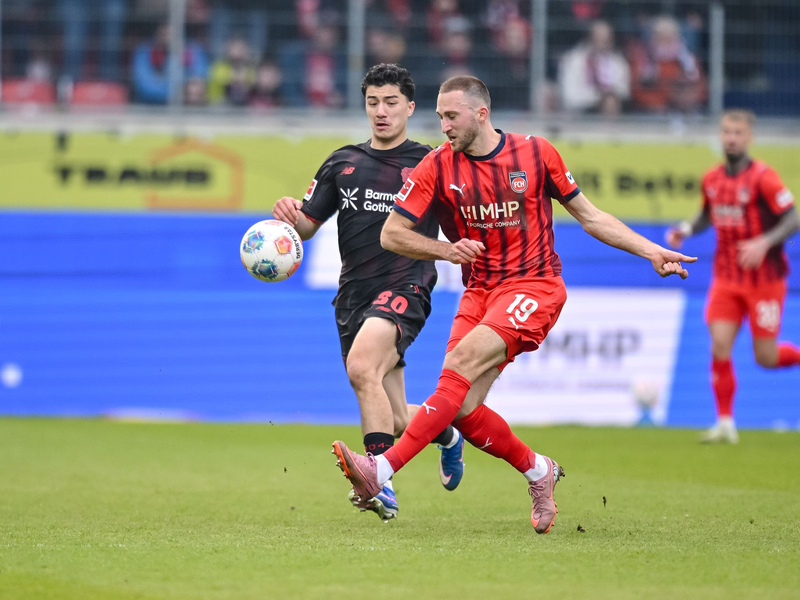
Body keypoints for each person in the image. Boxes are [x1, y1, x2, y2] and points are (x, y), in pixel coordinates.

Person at [332, 75, 696, 534]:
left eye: (451, 116)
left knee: (459, 366)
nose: (442, 126)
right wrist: (446, 251)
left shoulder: (536, 153)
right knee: (461, 408)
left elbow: (590, 216)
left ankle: (381, 470)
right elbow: (392, 233)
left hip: (534, 285)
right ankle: (538, 469)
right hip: (480, 292)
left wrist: (651, 251)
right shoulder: (437, 166)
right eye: (440, 116)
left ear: (481, 114)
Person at [271, 64, 472, 522]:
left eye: (391, 103)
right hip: (353, 297)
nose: (381, 112)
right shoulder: (342, 162)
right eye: (373, 102)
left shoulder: (432, 161)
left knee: (363, 367)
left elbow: (465, 217)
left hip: (407, 286)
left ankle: (380, 482)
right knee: (398, 418)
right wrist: (288, 217)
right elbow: (307, 224)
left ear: (411, 107)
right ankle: (447, 436)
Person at [666, 110, 800, 444]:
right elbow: (707, 215)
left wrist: (764, 241)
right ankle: (725, 423)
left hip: (764, 280)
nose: (731, 138)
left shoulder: (764, 178)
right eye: (727, 131)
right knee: (720, 345)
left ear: (749, 138)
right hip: (726, 279)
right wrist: (684, 229)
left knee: (765, 358)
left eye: (738, 132)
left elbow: (793, 218)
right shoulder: (712, 179)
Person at [559, 20, 630, 116]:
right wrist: (598, 97)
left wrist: (607, 97)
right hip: (581, 111)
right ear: (590, 39)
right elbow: (570, 96)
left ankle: (610, 130)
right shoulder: (574, 60)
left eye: (607, 41)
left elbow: (624, 91)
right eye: (599, 40)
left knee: (610, 102)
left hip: (609, 109)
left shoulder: (618, 62)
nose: (603, 45)